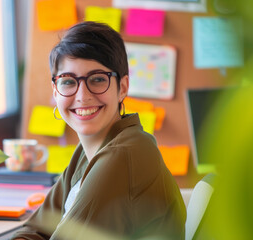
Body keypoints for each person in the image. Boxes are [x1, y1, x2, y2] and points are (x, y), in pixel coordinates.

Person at [11, 21, 186, 240]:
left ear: (122, 87)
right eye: (68, 81)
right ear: (55, 91)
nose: (82, 96)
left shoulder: (124, 154)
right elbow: (35, 229)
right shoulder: (87, 152)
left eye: (97, 79)